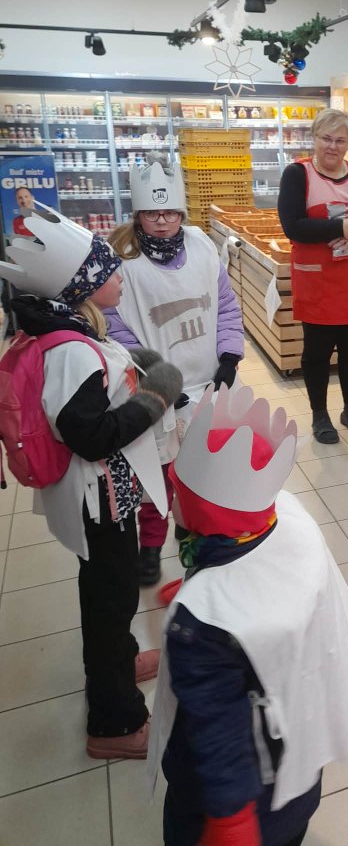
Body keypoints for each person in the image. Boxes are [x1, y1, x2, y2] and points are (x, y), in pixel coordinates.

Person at [148, 384, 348, 846]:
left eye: (176, 491)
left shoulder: (200, 629)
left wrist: (229, 821)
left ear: (199, 513)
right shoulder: (283, 519)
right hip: (297, 770)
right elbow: (244, 567)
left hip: (235, 805)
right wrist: (202, 580)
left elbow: (217, 728)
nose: (169, 499)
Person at [0, 205, 183, 760]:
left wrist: (140, 367)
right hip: (99, 500)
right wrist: (155, 398)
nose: (120, 276)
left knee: (112, 592)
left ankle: (119, 662)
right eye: (109, 272)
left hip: (104, 498)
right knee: (109, 601)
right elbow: (92, 435)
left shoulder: (68, 332)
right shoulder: (73, 350)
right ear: (81, 287)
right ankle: (115, 721)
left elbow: (102, 378)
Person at [106, 152, 245, 587]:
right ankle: (151, 545)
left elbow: (225, 306)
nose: (162, 221)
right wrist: (154, 377)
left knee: (203, 468)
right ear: (138, 214)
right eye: (152, 213)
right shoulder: (123, 260)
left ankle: (198, 535)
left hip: (206, 384)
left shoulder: (202, 247)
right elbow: (113, 326)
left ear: (182, 213)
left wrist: (229, 356)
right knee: (157, 475)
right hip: (154, 388)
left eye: (170, 213)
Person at [277, 108, 348, 445]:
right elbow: (293, 225)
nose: (333, 146)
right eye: (326, 138)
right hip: (318, 282)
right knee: (317, 352)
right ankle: (320, 414)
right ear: (314, 138)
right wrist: (341, 227)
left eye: (341, 140)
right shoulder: (297, 175)